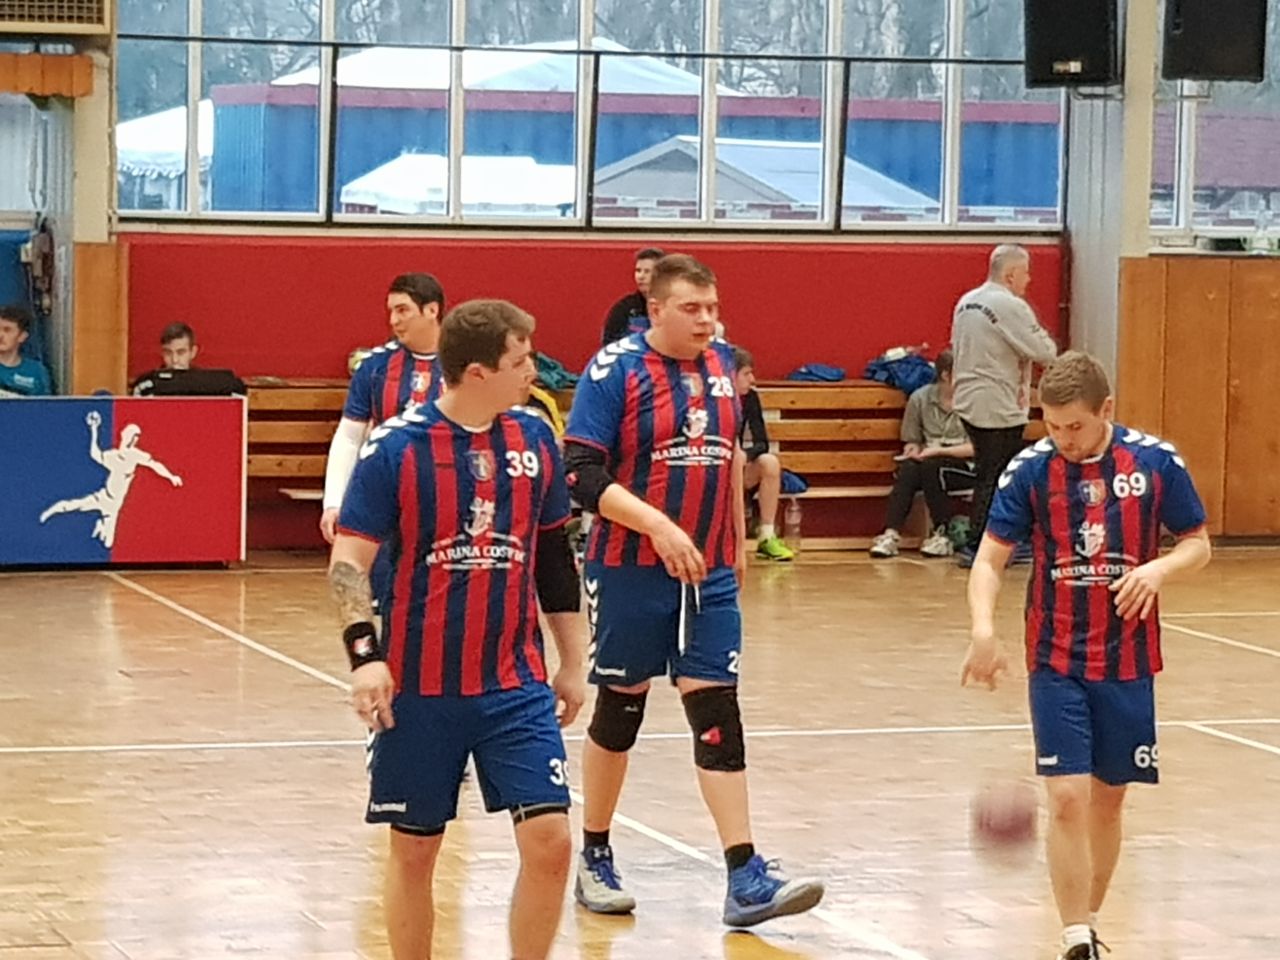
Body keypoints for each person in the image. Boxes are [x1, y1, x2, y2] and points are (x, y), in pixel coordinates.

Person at [564, 254, 823, 927]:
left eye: (713, 307)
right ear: (655, 309)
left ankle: (745, 875)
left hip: (709, 574)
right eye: (692, 308)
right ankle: (595, 854)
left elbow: (729, 458)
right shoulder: (613, 371)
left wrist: (734, 542)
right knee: (621, 707)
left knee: (716, 710)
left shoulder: (723, 366)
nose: (707, 320)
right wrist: (657, 526)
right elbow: (581, 474)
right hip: (629, 567)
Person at [328, 298, 587, 960]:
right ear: (477, 373)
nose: (533, 372)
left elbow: (554, 559)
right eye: (520, 360)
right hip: (420, 689)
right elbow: (349, 563)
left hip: (514, 684)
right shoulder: (397, 449)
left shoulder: (535, 440)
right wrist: (365, 657)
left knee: (552, 842)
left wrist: (573, 662)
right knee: (416, 851)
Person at [961, 351, 1212, 960]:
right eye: (1052, 426)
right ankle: (1074, 936)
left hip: (1128, 659)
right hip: (1056, 659)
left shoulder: (1155, 463)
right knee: (1067, 796)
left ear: (1106, 410)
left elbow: (1198, 544)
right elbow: (989, 560)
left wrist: (1158, 569)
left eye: (1075, 425)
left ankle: (1089, 918)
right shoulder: (1030, 471)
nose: (1064, 438)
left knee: (1109, 797)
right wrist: (983, 631)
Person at [950, 244, 1059, 566]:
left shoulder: (966, 301)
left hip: (968, 398)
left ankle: (989, 541)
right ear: (1011, 274)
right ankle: (983, 544)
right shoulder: (1009, 305)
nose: (1029, 279)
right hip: (997, 402)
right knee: (998, 475)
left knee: (989, 470)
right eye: (1026, 273)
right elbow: (1045, 351)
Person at [321, 273, 447, 546]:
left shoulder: (466, 366)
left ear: (432, 310)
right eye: (391, 311)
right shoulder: (374, 366)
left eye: (402, 310)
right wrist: (333, 502)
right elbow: (349, 437)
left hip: (447, 493)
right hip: (387, 493)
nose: (393, 321)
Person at [869, 348, 975, 558]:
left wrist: (938, 451)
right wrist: (912, 450)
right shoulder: (920, 398)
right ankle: (891, 534)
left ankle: (942, 533)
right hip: (928, 460)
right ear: (946, 375)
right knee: (909, 469)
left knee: (932, 466)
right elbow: (912, 440)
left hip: (966, 465)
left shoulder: (975, 401)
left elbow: (977, 448)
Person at [39, 411, 183, 547]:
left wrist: (171, 476)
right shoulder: (112, 455)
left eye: (136, 436)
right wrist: (94, 430)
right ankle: (49, 512)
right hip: (102, 496)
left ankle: (101, 524)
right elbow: (95, 454)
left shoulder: (136, 456)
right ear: (124, 435)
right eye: (132, 434)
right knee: (73, 505)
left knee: (108, 543)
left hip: (114, 505)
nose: (134, 439)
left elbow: (155, 465)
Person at [730, 345, 794, 561]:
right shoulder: (709, 398)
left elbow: (761, 443)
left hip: (737, 468)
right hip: (709, 467)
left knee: (769, 462)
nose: (752, 379)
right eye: (746, 374)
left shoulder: (750, 398)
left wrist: (744, 456)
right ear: (730, 375)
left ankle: (766, 536)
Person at [600, 247, 664, 346]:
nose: (641, 276)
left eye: (647, 271)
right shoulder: (624, 308)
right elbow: (609, 343)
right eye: (638, 271)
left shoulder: (671, 306)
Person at [0, 304, 52, 397]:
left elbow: (44, 404)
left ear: (22, 336)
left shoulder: (36, 371)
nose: (0, 335)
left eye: (7, 330)